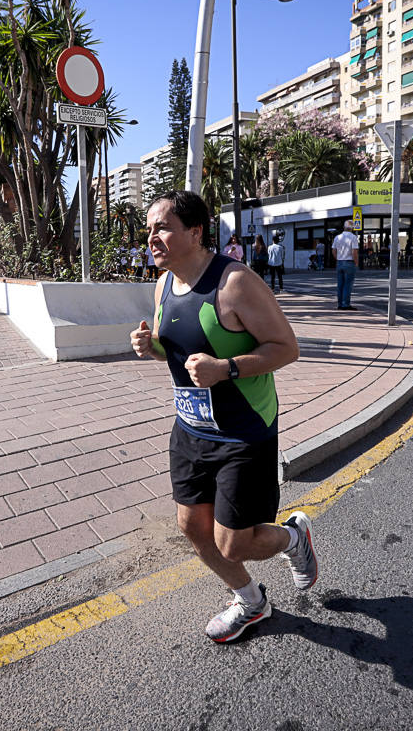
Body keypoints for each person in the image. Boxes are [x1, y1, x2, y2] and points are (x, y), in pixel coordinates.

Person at [129, 191, 314, 643]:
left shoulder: (234, 282)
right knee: (192, 527)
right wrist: (151, 348)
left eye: (163, 227)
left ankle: (293, 538)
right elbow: (176, 352)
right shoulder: (164, 282)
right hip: (191, 429)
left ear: (195, 232)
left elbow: (286, 348)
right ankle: (252, 602)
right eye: (150, 228)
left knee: (235, 542)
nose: (152, 237)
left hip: (243, 433)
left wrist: (226, 369)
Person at [332, 220, 360, 310]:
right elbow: (354, 252)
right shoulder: (353, 237)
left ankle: (340, 304)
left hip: (340, 262)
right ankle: (345, 304)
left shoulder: (337, 237)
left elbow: (333, 250)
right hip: (349, 262)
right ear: (352, 228)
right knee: (348, 284)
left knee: (340, 284)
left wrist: (338, 258)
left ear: (344, 227)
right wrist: (356, 262)